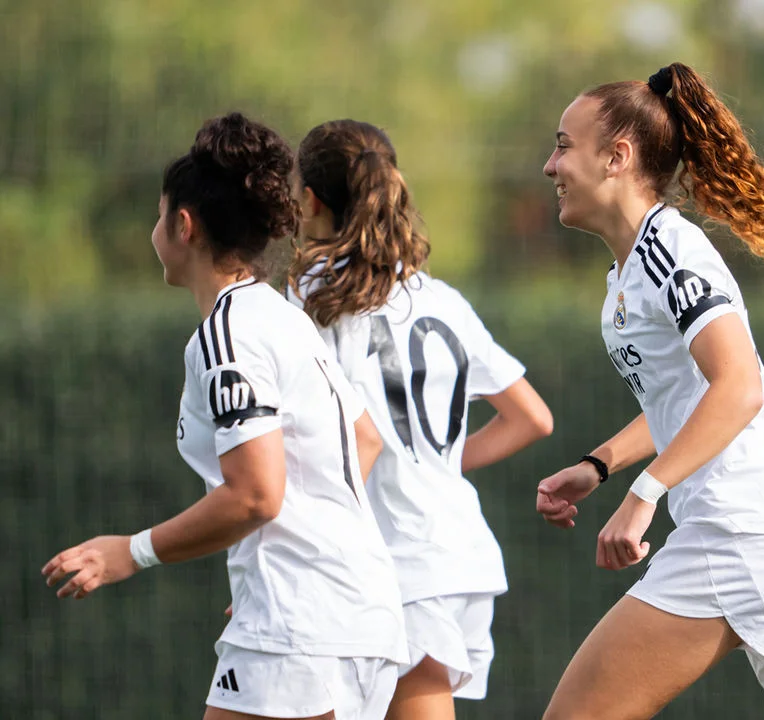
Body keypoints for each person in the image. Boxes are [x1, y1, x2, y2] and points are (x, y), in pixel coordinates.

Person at [534, 63, 764, 720]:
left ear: (617, 156)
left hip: (744, 530)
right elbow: (693, 397)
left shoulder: (668, 250)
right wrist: (600, 466)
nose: (549, 166)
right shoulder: (635, 265)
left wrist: (645, 495)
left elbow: (740, 389)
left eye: (563, 145)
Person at [42, 112, 407, 719]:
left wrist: (128, 552)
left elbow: (256, 495)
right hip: (355, 615)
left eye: (158, 215)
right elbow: (362, 439)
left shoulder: (227, 332)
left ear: (183, 226)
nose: (153, 230)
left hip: (303, 625)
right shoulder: (283, 316)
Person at [287, 119, 554, 720]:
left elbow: (338, 445)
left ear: (309, 199)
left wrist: (289, 557)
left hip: (396, 560)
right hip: (455, 549)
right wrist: (437, 464)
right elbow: (531, 418)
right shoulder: (441, 299)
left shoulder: (314, 296)